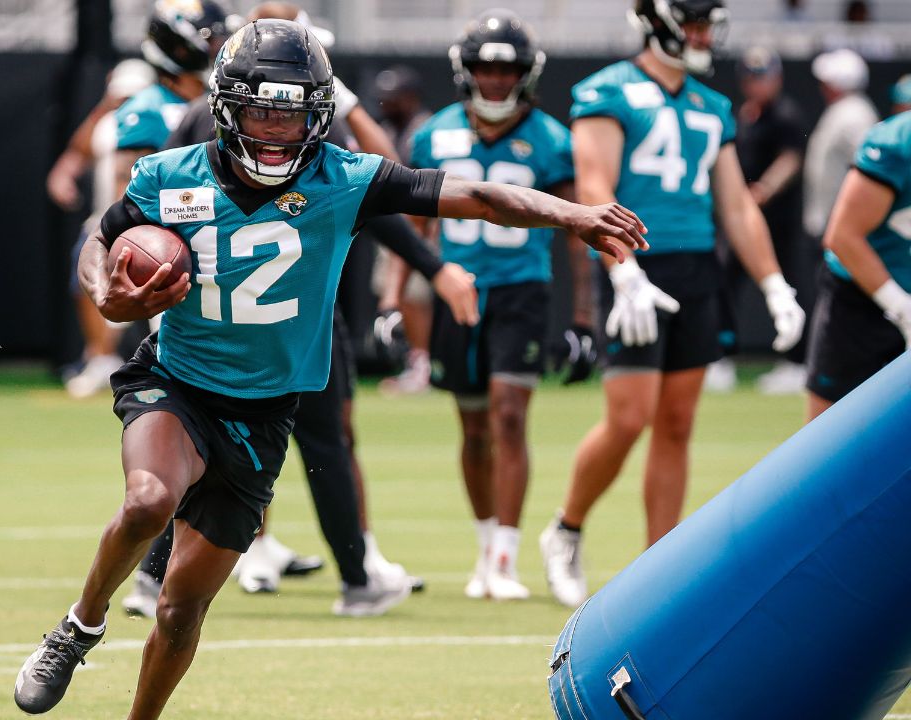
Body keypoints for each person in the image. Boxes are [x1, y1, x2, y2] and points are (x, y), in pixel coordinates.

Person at [12, 18, 649, 718]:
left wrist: (573, 214)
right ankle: (79, 627)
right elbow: (99, 240)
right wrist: (107, 291)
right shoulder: (172, 175)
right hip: (177, 383)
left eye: (293, 115)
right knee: (148, 501)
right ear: (227, 107)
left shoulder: (343, 178)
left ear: (317, 116)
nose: (278, 131)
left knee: (179, 612)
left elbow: (480, 196)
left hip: (262, 415)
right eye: (262, 111)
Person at [122, 1, 436, 618]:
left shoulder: (227, 123)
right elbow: (130, 220)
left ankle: (162, 577)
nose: (277, 121)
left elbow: (385, 187)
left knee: (218, 450)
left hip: (255, 322)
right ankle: (351, 573)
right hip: (257, 326)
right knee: (313, 444)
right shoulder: (220, 134)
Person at [538, 0, 807, 609]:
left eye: (707, 26)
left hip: (694, 267)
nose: (702, 37)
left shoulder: (712, 108)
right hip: (635, 259)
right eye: (693, 25)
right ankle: (567, 527)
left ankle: (659, 564)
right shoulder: (608, 90)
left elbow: (736, 206)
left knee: (678, 423)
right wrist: (623, 267)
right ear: (658, 24)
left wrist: (773, 283)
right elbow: (594, 186)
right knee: (629, 417)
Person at [399, 10, 593, 601]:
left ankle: (506, 556)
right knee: (474, 422)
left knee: (510, 415)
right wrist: (394, 300)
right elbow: (412, 229)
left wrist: (584, 314)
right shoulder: (434, 134)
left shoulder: (554, 139)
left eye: (506, 69)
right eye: (485, 67)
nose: (495, 80)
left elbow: (575, 232)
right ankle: (485, 548)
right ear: (467, 71)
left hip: (522, 288)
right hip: (457, 289)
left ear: (525, 75)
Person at [62, 0, 237, 398]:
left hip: (223, 243)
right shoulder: (148, 110)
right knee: (183, 362)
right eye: (211, 40)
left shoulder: (223, 103)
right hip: (177, 243)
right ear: (178, 47)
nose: (220, 48)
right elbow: (134, 195)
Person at [46, 59, 156, 390]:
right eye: (121, 98)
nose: (127, 105)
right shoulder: (107, 124)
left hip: (154, 223)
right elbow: (78, 151)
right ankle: (100, 357)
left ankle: (167, 362)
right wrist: (63, 174)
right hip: (108, 220)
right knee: (86, 278)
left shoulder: (163, 121)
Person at [707, 46, 811, 395]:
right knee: (724, 284)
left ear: (777, 78)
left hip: (778, 225)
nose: (756, 85)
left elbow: (791, 160)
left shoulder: (786, 114)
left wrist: (763, 189)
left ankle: (797, 364)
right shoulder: (744, 115)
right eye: (750, 78)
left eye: (762, 77)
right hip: (742, 221)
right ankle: (719, 359)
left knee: (788, 288)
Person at [806, 112, 911, 420]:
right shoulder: (898, 143)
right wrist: (903, 308)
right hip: (862, 300)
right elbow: (843, 236)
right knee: (826, 437)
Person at [374, 64, 436, 397]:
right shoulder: (388, 129)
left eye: (394, 98)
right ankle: (416, 362)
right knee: (398, 296)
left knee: (414, 297)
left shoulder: (424, 130)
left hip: (421, 226)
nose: (387, 104)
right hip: (393, 224)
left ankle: (422, 365)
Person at [804, 49, 878, 252]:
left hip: (840, 228)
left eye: (827, 81)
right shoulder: (844, 110)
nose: (822, 86)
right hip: (829, 223)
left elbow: (870, 171)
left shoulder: (855, 115)